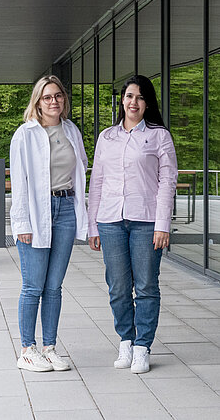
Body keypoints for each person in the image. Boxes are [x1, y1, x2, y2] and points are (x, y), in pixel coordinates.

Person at [88, 75, 177, 374]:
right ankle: (126, 340)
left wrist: (162, 223)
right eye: (128, 96)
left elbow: (168, 182)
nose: (133, 102)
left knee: (147, 286)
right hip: (111, 219)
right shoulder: (107, 137)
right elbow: (96, 182)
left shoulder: (159, 136)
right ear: (122, 101)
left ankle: (142, 347)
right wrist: (93, 226)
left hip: (146, 220)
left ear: (147, 102)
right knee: (118, 287)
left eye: (139, 97)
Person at [10, 75, 88, 372]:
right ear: (38, 103)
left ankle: (50, 347)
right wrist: (22, 223)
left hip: (66, 209)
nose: (54, 101)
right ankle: (27, 349)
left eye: (58, 96)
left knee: (54, 286)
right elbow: (19, 182)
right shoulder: (25, 134)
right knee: (33, 286)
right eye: (47, 97)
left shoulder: (71, 131)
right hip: (36, 212)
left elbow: (80, 173)